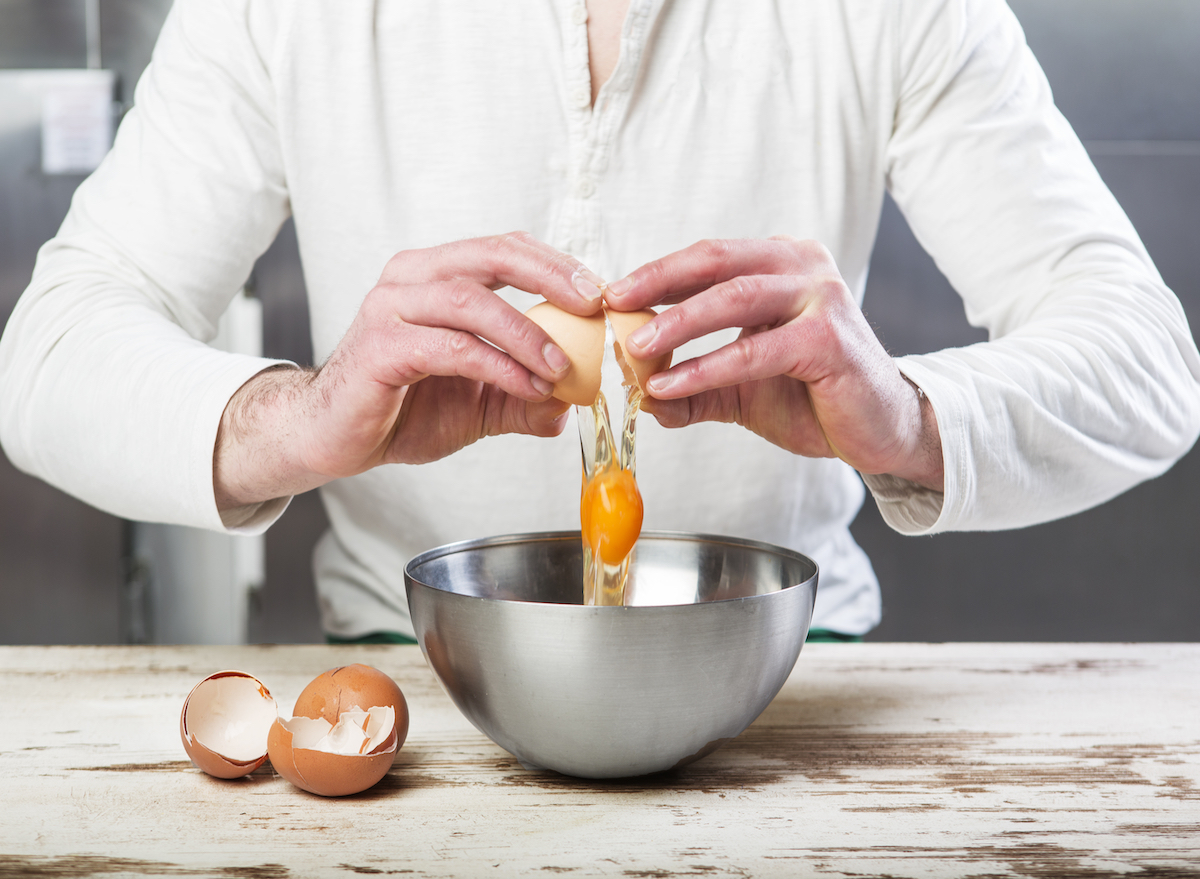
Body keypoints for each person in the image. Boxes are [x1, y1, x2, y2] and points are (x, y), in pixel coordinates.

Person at [2, 0, 1198, 643]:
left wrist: (906, 415)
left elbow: (1151, 363)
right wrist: (301, 420)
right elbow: (47, 356)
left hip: (789, 693)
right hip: (409, 698)